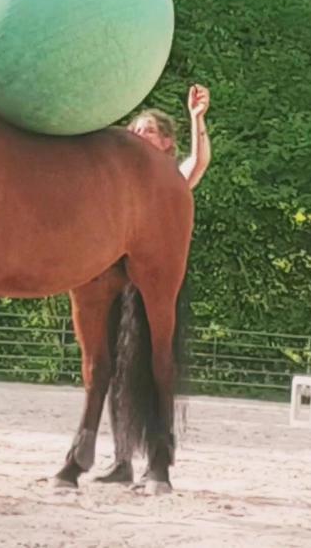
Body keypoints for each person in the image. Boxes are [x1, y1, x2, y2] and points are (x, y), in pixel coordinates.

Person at [95, 83, 211, 485]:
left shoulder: (169, 182)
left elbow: (198, 162)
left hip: (156, 283)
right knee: (113, 365)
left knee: (157, 363)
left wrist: (197, 118)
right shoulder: (118, 186)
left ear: (165, 143)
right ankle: (121, 459)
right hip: (118, 281)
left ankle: (159, 456)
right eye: (134, 129)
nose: (137, 135)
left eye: (146, 130)